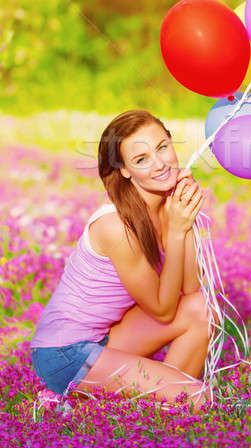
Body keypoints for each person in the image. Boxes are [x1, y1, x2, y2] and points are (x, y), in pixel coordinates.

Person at [30, 109, 218, 413]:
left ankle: (153, 409)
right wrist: (178, 229)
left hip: (105, 339)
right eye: (142, 159)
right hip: (65, 352)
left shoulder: (165, 207)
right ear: (126, 170)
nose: (160, 164)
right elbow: (163, 309)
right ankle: (152, 406)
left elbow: (191, 288)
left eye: (162, 147)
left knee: (201, 309)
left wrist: (184, 220)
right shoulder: (116, 226)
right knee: (198, 400)